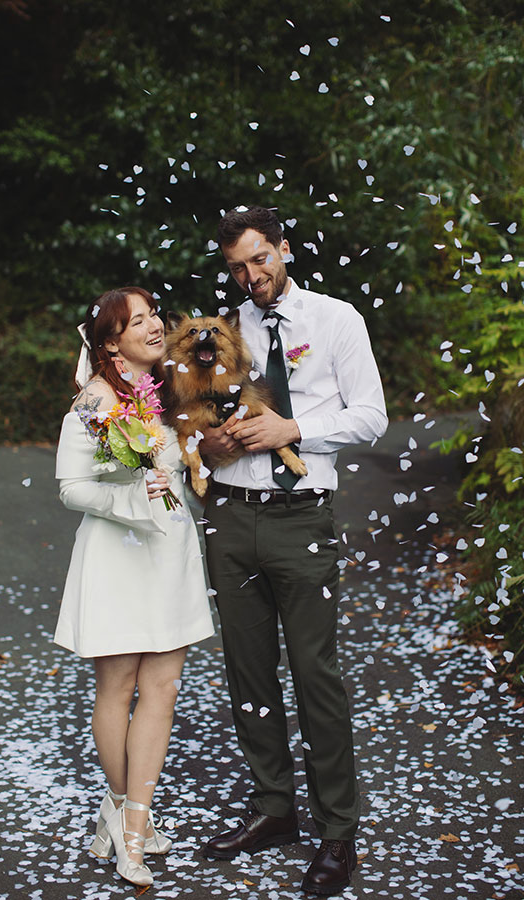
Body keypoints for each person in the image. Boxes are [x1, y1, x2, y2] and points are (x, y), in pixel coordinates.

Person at [200, 206, 387, 896]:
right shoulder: (221, 332)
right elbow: (193, 418)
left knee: (315, 674)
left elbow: (371, 416)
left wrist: (293, 428)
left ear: (284, 248)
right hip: (229, 516)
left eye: (259, 258)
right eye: (237, 267)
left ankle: (338, 832)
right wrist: (207, 444)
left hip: (302, 516)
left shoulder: (337, 320)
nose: (251, 275)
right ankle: (273, 808)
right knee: (248, 672)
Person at [54, 287, 214, 888]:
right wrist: (130, 498)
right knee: (118, 688)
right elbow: (71, 486)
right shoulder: (93, 403)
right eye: (137, 321)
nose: (153, 327)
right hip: (117, 554)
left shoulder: (174, 389)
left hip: (169, 549)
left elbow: (186, 459)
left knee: (163, 688)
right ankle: (123, 813)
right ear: (111, 343)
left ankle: (136, 821)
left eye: (153, 316)